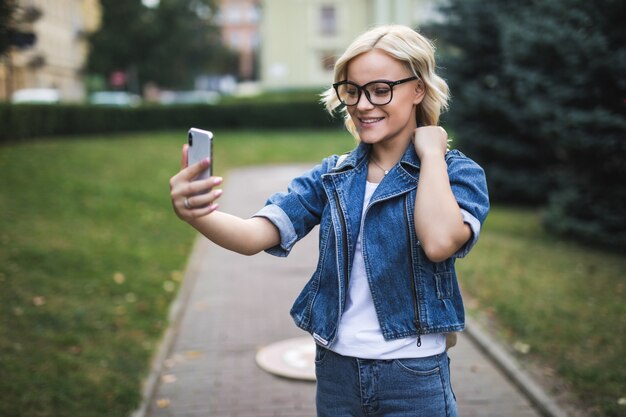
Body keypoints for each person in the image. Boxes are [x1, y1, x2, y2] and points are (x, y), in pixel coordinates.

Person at [169, 24, 489, 417]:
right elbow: (255, 235)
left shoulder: (457, 174)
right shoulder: (333, 177)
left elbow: (439, 242)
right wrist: (198, 214)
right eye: (352, 90)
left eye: (381, 89)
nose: (363, 104)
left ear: (418, 89)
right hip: (337, 373)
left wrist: (433, 155)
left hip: (414, 377)